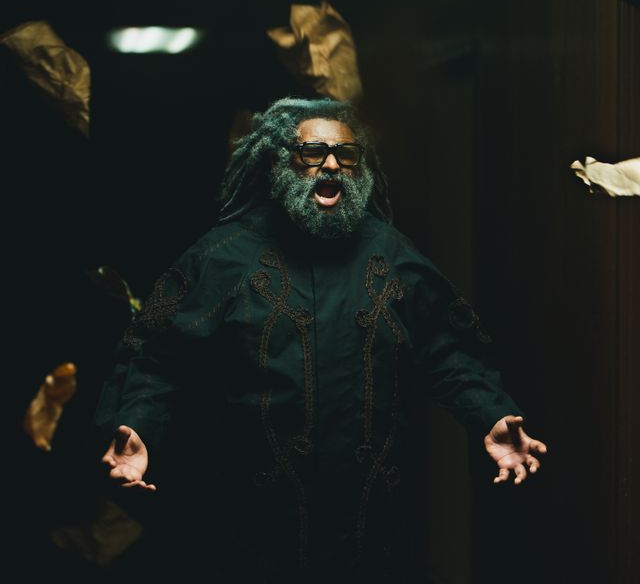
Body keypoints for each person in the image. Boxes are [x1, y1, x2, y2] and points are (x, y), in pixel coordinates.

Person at [95, 97, 547, 583]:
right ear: (280, 163)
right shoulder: (223, 256)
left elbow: (448, 349)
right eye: (312, 152)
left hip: (372, 531)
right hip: (251, 528)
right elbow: (157, 354)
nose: (331, 164)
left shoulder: (391, 253)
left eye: (345, 154)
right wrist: (138, 424)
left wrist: (489, 413)